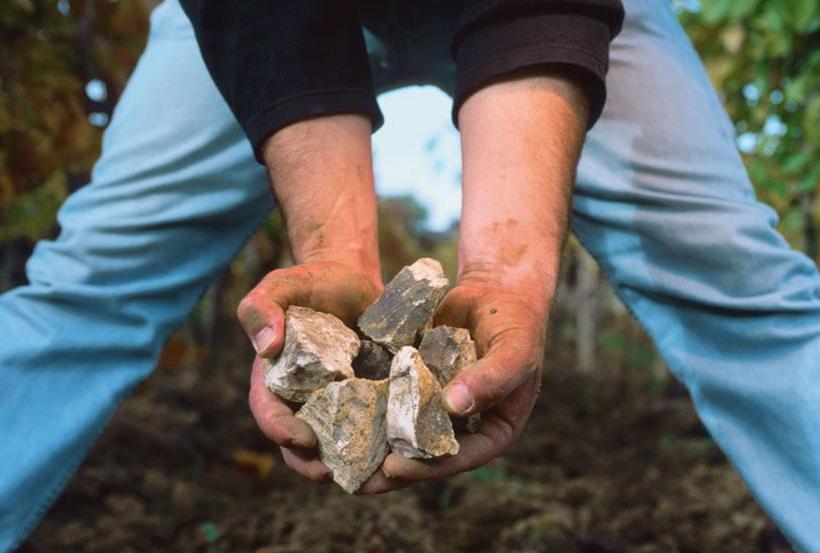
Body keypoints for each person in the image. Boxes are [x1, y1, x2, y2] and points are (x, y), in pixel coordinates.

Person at [1, 1, 818, 551]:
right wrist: (334, 248)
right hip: (253, 22)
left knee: (740, 286)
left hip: (560, 12)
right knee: (88, 286)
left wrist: (507, 268)